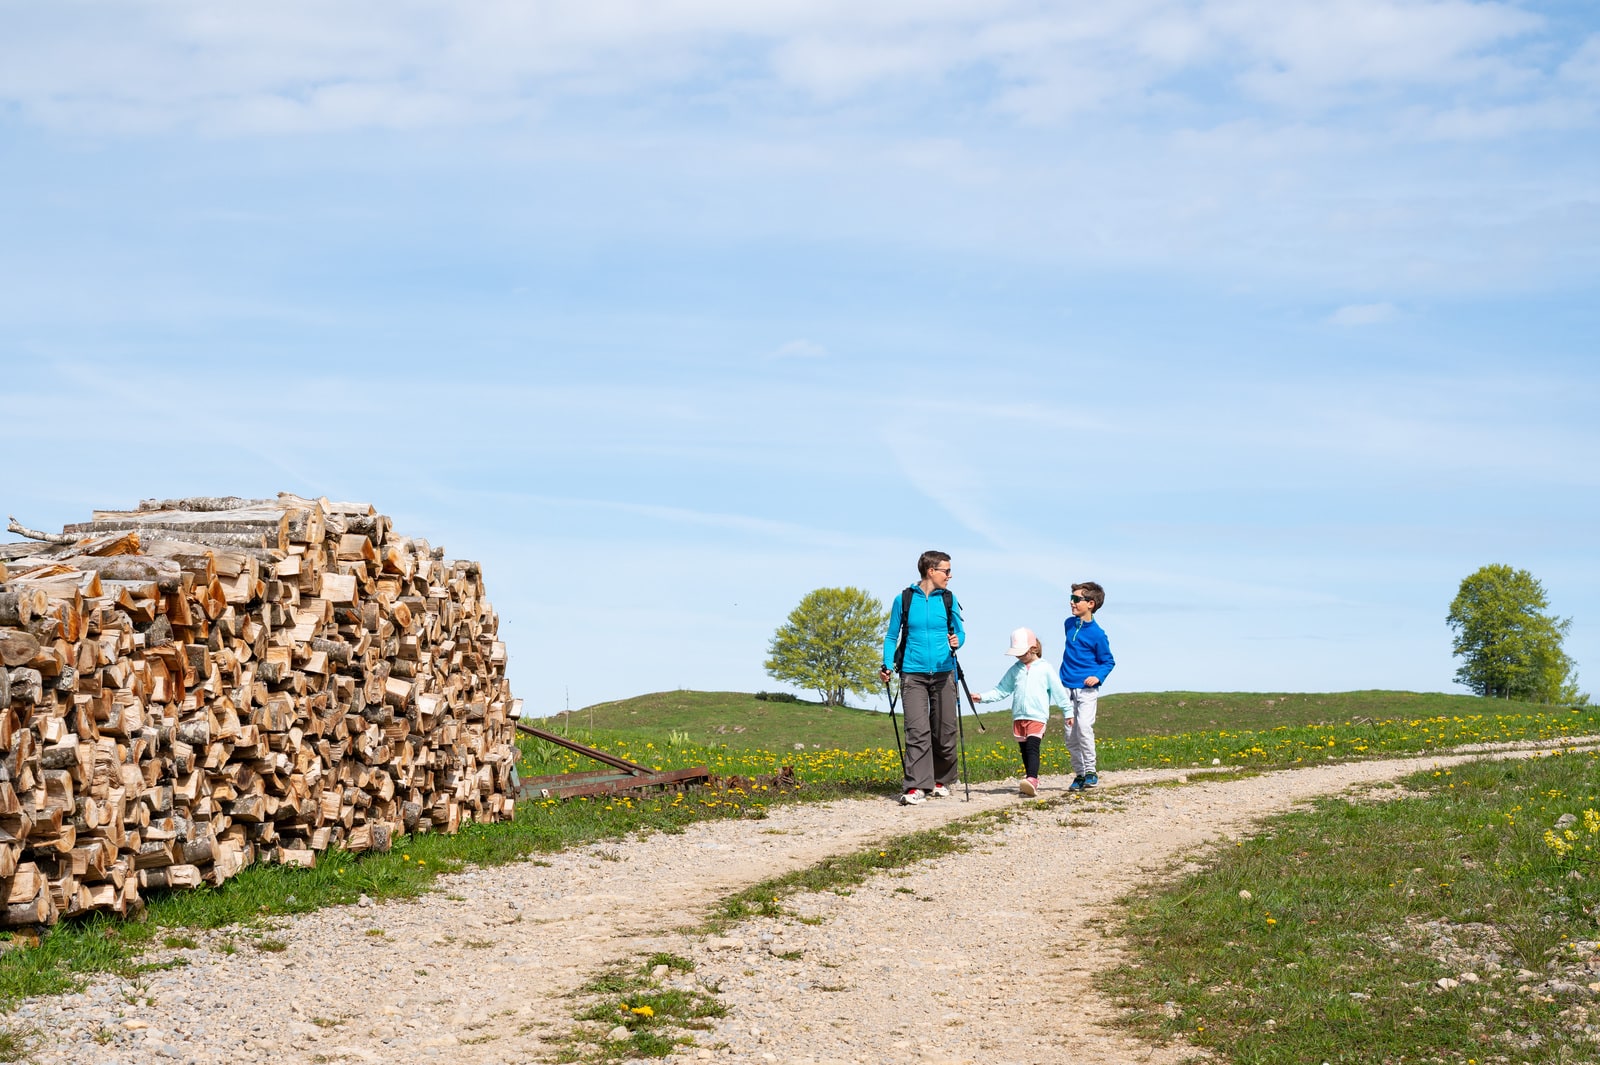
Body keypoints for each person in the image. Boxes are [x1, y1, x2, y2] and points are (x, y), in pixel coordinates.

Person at [880, 550, 965, 806]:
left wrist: (957, 640)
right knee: (917, 730)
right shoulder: (904, 599)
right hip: (912, 673)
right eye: (946, 571)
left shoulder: (949, 599)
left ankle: (941, 780)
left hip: (944, 672)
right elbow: (891, 636)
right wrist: (886, 664)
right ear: (931, 571)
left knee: (944, 729)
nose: (950, 576)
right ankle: (916, 785)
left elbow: (960, 632)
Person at [969, 627, 1067, 797]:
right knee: (1023, 749)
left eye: (1022, 652)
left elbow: (1059, 692)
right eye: (1016, 653)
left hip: (1037, 716)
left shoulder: (1045, 668)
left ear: (1033, 648)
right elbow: (1001, 690)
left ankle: (1032, 779)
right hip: (1019, 717)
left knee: (1032, 747)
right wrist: (981, 697)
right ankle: (1030, 781)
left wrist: (1068, 711)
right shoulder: (1015, 670)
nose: (1019, 656)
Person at [1060, 581, 1114, 792]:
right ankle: (1080, 774)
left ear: (1090, 603)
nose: (1071, 603)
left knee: (1083, 726)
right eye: (1071, 598)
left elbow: (1108, 661)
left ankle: (1091, 771)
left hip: (1086, 688)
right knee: (1069, 734)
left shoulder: (1098, 634)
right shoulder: (1068, 624)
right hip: (1066, 686)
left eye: (1076, 599)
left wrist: (1097, 676)